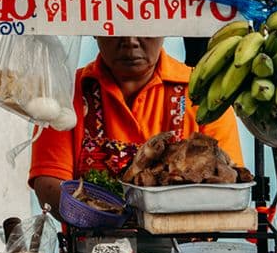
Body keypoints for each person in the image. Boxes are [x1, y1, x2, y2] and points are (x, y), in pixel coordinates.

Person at [29, 35, 243, 214]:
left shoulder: (201, 93)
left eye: (144, 27)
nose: (130, 41)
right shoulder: (66, 94)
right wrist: (102, 216)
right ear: (93, 29)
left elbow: (227, 182)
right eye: (115, 26)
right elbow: (49, 184)